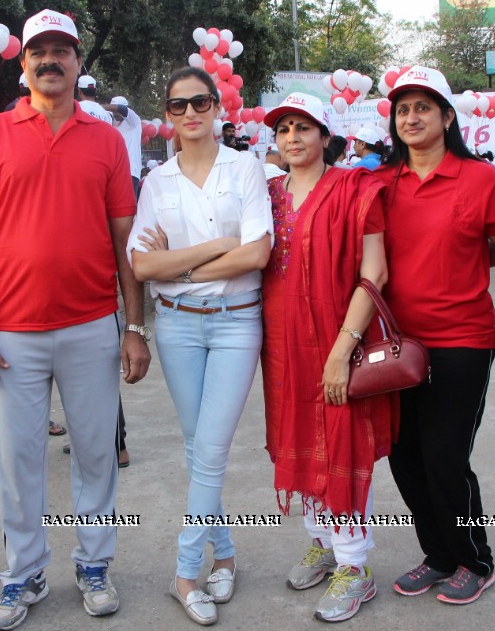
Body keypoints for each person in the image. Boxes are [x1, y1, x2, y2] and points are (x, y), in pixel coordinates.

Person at [0, 9, 150, 630]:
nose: (50, 60)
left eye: (61, 50)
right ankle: (23, 575)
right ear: (23, 63)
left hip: (92, 324)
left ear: (77, 63)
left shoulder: (103, 140)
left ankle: (94, 565)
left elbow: (125, 240)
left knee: (95, 454)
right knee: (18, 462)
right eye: (38, 50)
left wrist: (133, 326)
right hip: (13, 331)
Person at [127, 67, 272, 626]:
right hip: (178, 328)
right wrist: (216, 248)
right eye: (178, 106)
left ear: (217, 108)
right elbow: (142, 265)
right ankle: (227, 553)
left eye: (200, 103)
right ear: (166, 116)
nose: (190, 114)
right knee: (197, 449)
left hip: (237, 323)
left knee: (210, 449)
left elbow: (257, 254)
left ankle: (186, 572)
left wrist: (179, 266)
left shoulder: (247, 168)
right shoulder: (158, 182)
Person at [373, 66, 495, 606]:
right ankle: (436, 555)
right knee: (404, 455)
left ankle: (474, 559)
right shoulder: (382, 182)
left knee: (445, 454)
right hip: (397, 344)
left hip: (463, 339)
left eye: (423, 108)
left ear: (447, 117)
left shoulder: (479, 179)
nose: (411, 117)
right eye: (403, 109)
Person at [260, 92, 394, 623]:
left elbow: (375, 272)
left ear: (325, 136)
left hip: (339, 339)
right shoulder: (267, 193)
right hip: (282, 344)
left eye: (303, 127)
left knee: (343, 445)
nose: (292, 137)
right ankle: (323, 543)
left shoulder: (358, 189)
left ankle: (355, 567)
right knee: (295, 439)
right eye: (284, 129)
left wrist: (343, 348)